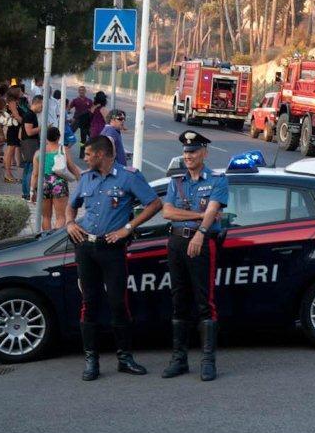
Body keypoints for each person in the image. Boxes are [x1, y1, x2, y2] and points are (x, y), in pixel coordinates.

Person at [65, 135, 162, 381]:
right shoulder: (87, 178)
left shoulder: (128, 176)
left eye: (87, 154)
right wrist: (69, 223)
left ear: (101, 155)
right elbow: (71, 204)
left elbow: (154, 203)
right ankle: (91, 360)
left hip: (112, 249)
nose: (85, 159)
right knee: (89, 302)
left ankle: (125, 358)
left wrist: (127, 229)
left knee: (118, 302)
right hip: (85, 247)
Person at [161, 130, 229, 382]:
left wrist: (201, 232)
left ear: (204, 153)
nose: (188, 155)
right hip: (177, 242)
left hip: (202, 243)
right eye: (186, 152)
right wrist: (201, 217)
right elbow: (167, 212)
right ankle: (179, 360)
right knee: (179, 299)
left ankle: (208, 361)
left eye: (193, 151)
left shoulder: (217, 180)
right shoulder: (176, 181)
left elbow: (213, 211)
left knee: (204, 301)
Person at [30, 126, 82, 230]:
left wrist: (32, 191)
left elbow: (35, 174)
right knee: (61, 216)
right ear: (59, 137)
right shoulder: (63, 150)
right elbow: (71, 167)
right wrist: (81, 180)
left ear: (45, 138)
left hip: (43, 183)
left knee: (46, 217)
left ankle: (46, 240)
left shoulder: (38, 153)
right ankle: (55, 240)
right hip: (59, 183)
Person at [19, 95, 43, 200]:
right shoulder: (30, 115)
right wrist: (43, 128)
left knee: (27, 168)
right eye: (42, 105)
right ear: (37, 103)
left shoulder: (29, 114)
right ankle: (28, 192)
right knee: (31, 169)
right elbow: (29, 132)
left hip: (27, 143)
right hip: (30, 143)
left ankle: (25, 193)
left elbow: (21, 134)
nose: (42, 108)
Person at [2, 86, 23, 183]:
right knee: (10, 151)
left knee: (9, 150)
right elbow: (16, 115)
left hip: (13, 129)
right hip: (13, 129)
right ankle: (7, 174)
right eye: (20, 91)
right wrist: (24, 121)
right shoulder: (13, 102)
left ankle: (8, 173)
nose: (21, 92)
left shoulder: (12, 101)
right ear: (16, 93)